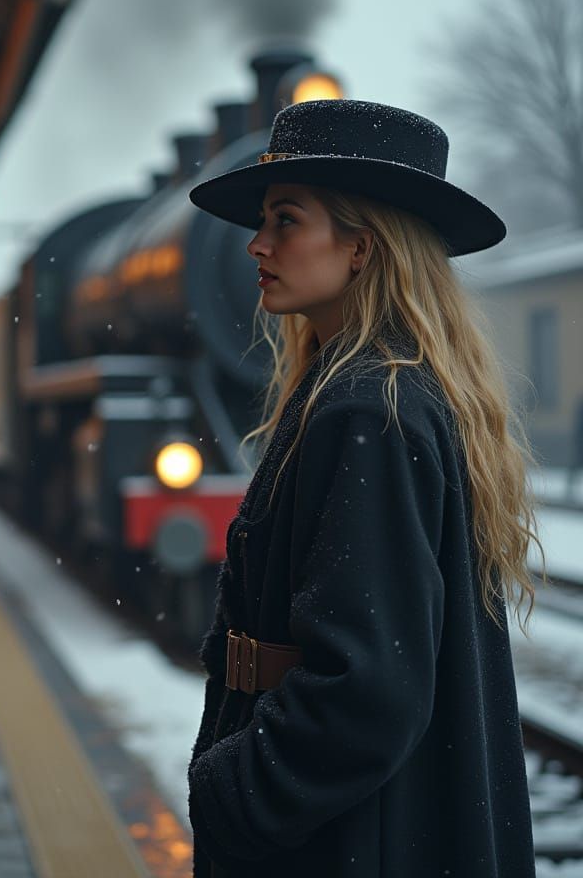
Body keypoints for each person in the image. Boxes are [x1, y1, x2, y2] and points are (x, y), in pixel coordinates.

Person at [185, 99, 541, 877]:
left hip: (342, 841)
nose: (256, 244)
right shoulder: (392, 386)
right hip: (383, 820)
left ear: (360, 249)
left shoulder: (366, 408)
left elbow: (368, 689)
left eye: (285, 220)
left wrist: (235, 793)